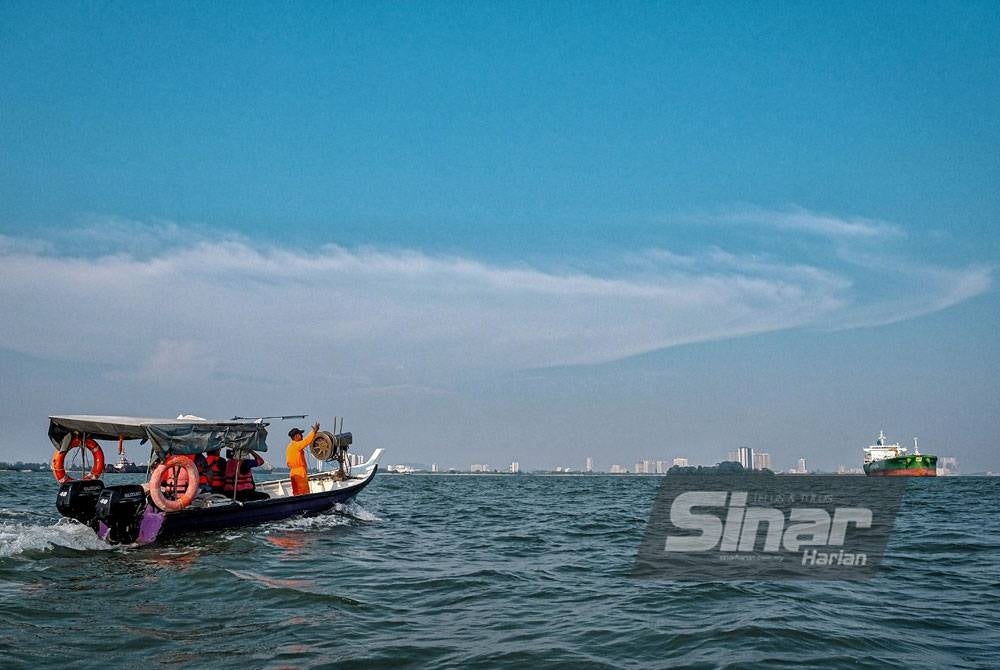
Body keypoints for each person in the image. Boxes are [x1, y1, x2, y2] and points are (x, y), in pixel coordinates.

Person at [286, 422, 320, 496]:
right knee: (304, 493)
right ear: (297, 436)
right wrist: (314, 432)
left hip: (293, 472)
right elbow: (306, 441)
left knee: (296, 492)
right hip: (299, 472)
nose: (302, 436)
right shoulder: (297, 445)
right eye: (301, 434)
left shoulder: (290, 446)